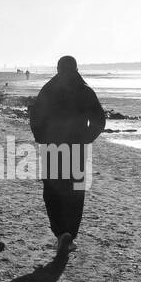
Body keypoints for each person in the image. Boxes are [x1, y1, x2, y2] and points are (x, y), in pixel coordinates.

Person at [27, 56, 105, 255]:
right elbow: (99, 120)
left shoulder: (48, 89)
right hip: (76, 148)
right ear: (76, 68)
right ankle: (68, 234)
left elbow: (35, 117)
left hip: (52, 147)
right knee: (75, 192)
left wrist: (42, 138)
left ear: (58, 68)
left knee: (52, 190)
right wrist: (86, 138)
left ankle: (61, 233)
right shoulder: (85, 90)